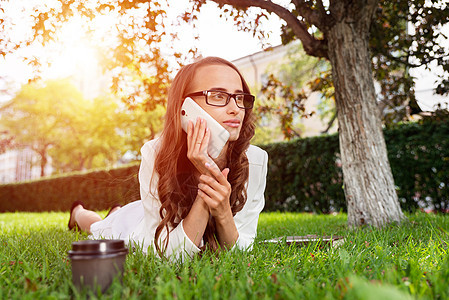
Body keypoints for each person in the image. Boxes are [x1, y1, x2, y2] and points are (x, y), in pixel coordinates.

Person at [67, 57, 268, 261]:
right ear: (185, 107)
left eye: (240, 97)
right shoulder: (155, 153)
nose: (235, 108)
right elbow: (169, 254)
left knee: (116, 217)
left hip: (146, 213)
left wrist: (223, 211)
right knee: (101, 227)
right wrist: (206, 187)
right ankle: (78, 212)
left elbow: (241, 251)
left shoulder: (256, 160)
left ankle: (117, 212)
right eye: (218, 95)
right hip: (140, 224)